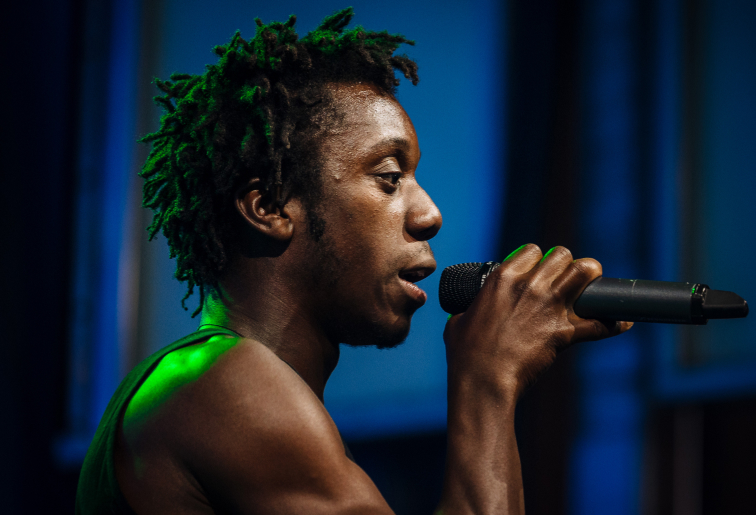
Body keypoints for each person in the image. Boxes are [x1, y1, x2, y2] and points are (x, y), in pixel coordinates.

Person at [75, 9, 630, 514]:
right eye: (389, 179)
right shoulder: (225, 386)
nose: (430, 214)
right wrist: (487, 380)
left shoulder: (220, 387)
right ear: (268, 205)